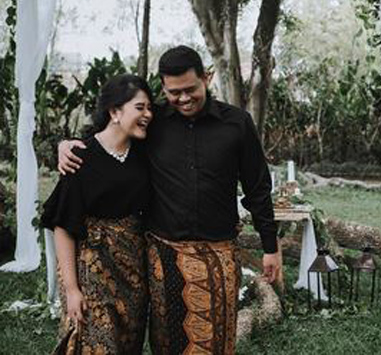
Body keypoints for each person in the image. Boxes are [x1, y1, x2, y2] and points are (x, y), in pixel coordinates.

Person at [59, 46, 280, 355]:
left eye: (191, 89)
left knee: (215, 343)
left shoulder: (237, 124)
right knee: (167, 343)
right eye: (174, 92)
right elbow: (111, 139)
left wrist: (271, 246)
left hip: (219, 255)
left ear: (207, 77)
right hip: (163, 258)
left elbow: (258, 188)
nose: (184, 98)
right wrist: (69, 145)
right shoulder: (153, 122)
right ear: (163, 88)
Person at [42, 74, 154, 354]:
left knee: (128, 343)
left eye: (150, 108)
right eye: (140, 108)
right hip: (92, 273)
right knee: (96, 344)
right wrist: (71, 289)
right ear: (115, 112)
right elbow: (63, 226)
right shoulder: (80, 156)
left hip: (133, 275)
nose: (148, 114)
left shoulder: (144, 152)